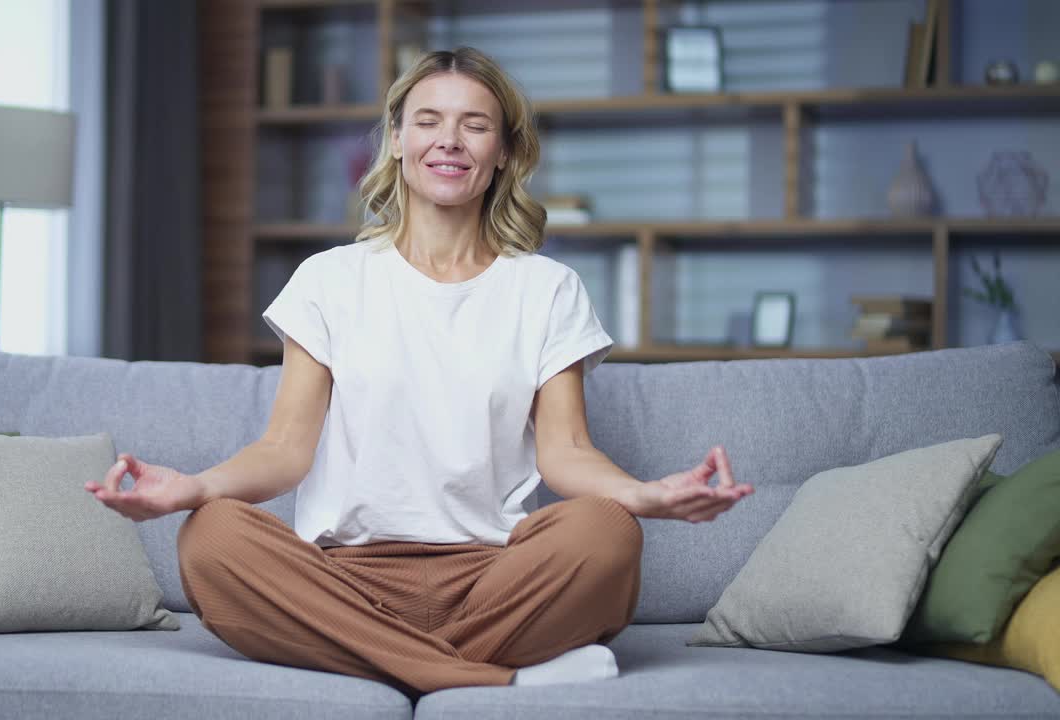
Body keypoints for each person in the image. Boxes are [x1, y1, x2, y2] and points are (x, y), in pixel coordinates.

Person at [86, 46, 754, 698]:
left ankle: (366, 654)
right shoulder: (329, 280)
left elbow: (566, 453)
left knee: (605, 531)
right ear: (398, 142)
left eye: (476, 124)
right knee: (211, 534)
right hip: (343, 576)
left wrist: (647, 497)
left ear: (503, 154)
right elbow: (285, 450)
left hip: (495, 582)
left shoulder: (547, 290)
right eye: (428, 120)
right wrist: (192, 488)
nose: (450, 140)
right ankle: (496, 678)